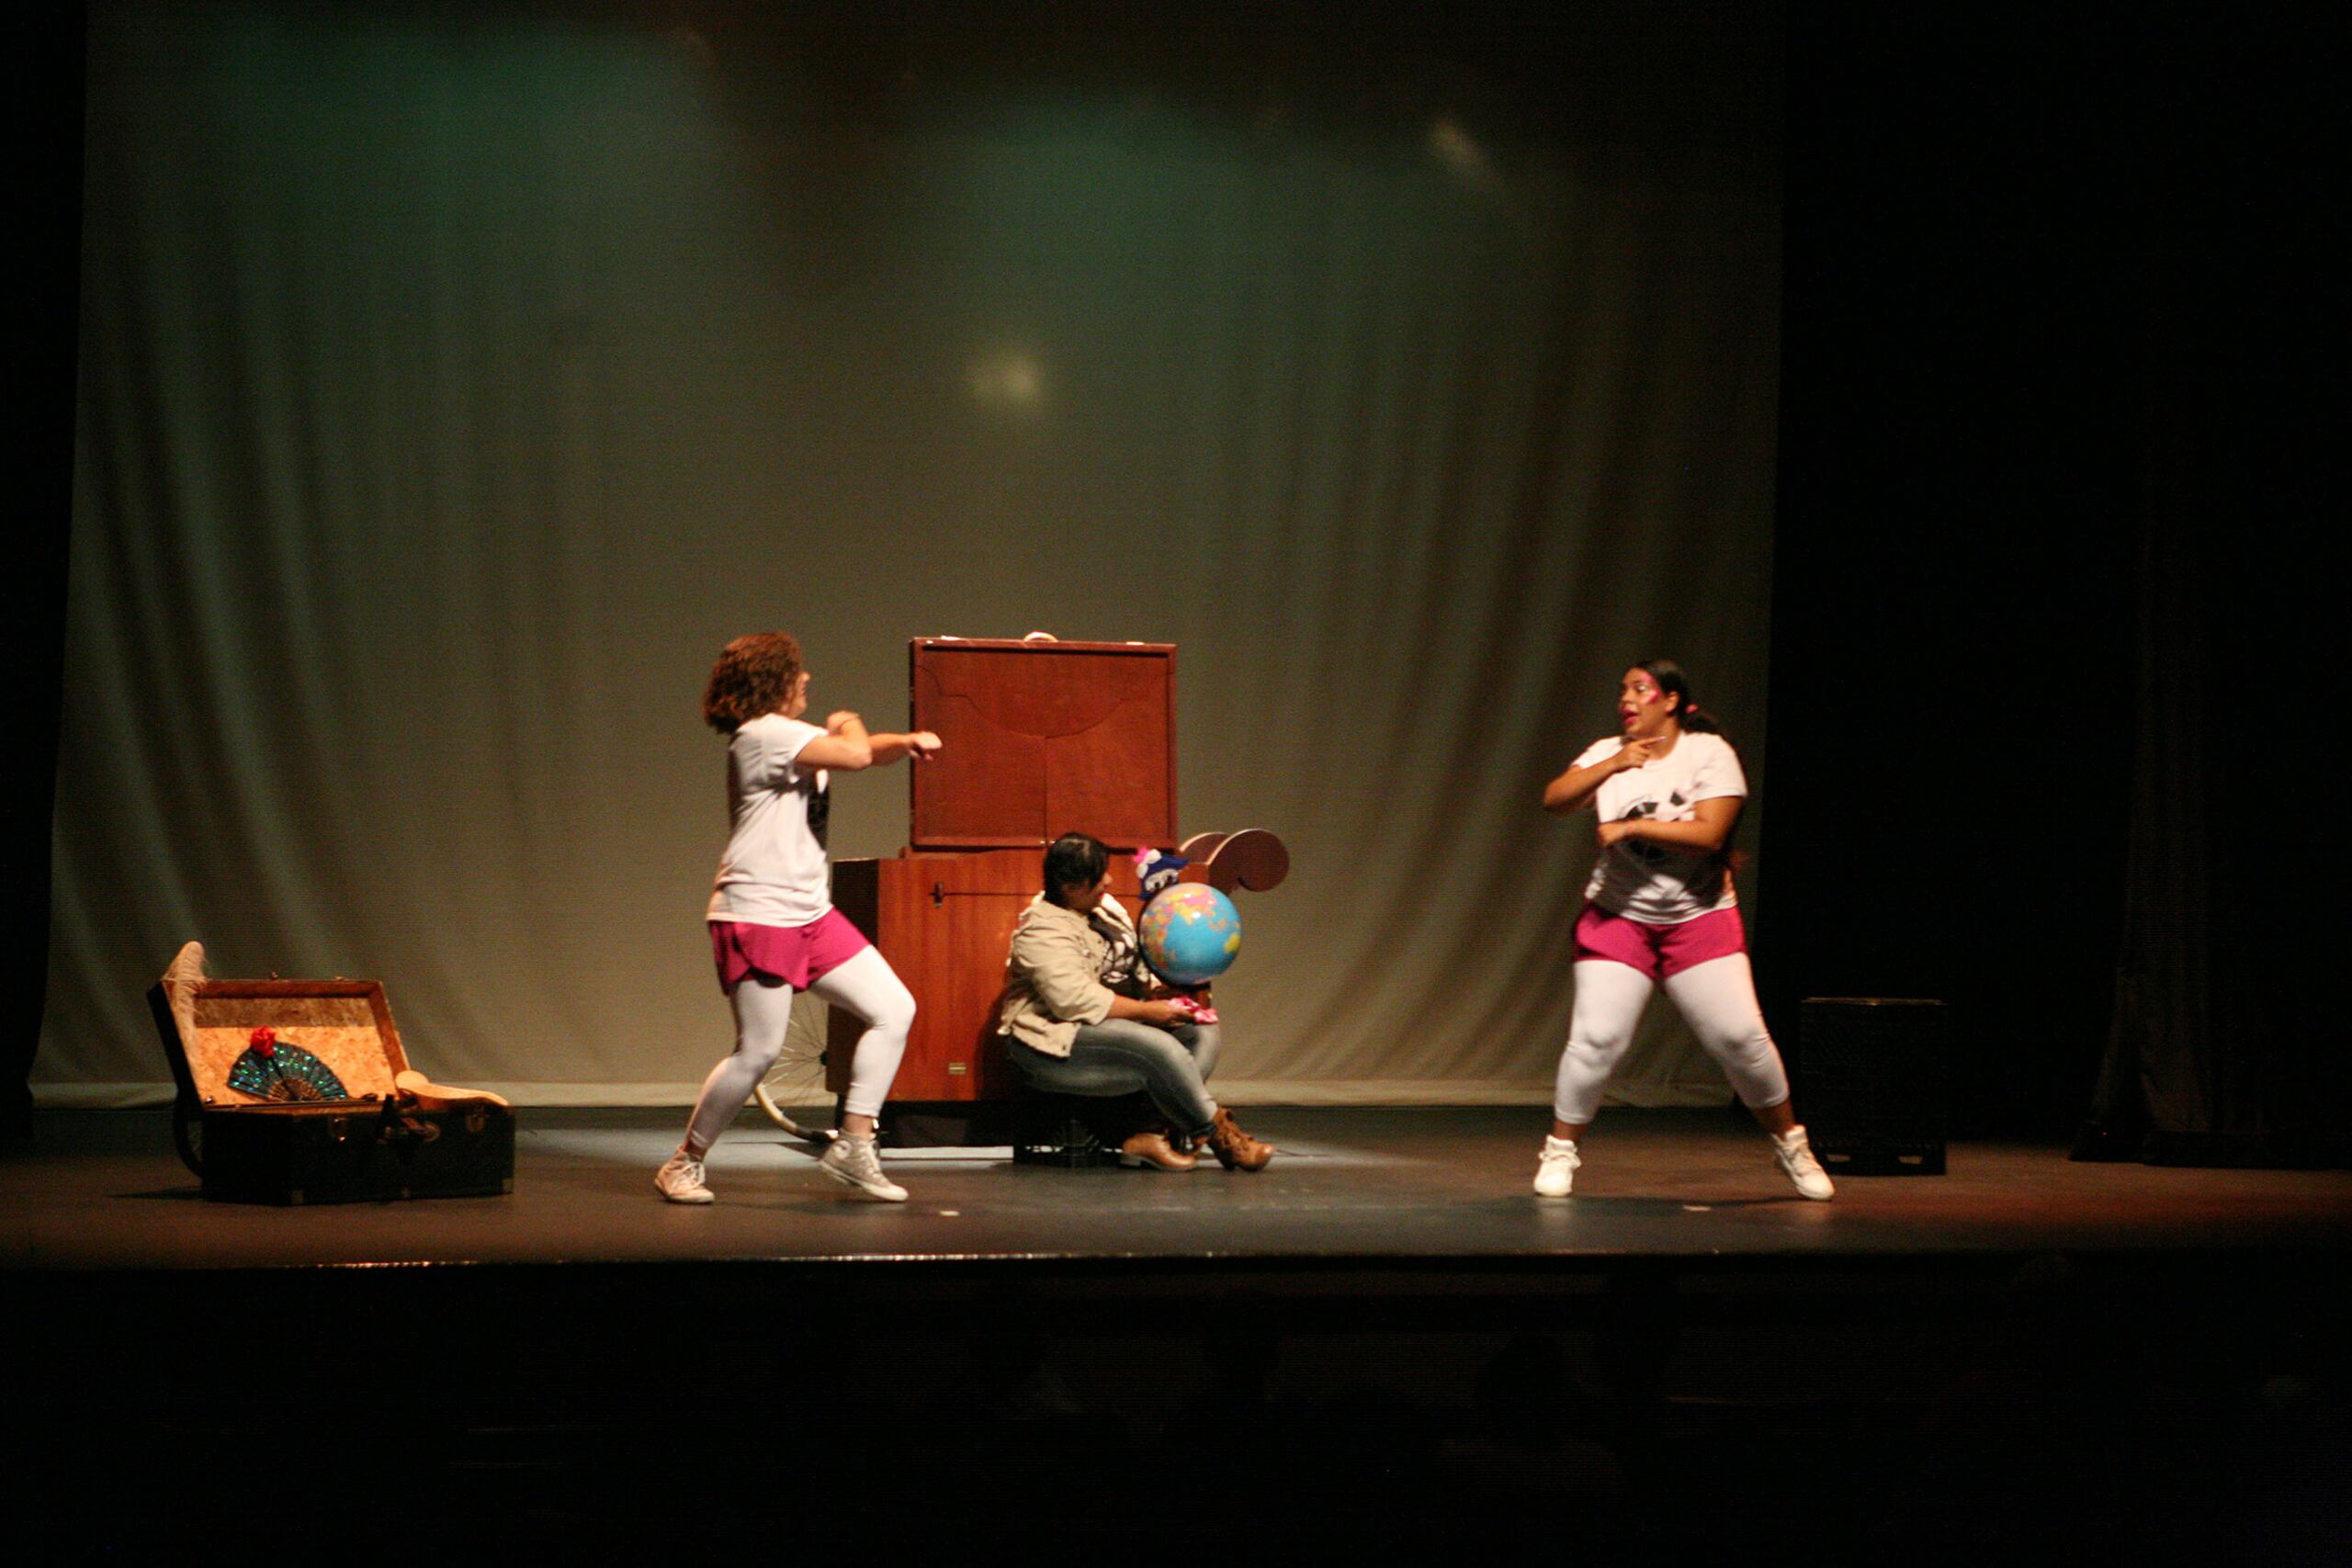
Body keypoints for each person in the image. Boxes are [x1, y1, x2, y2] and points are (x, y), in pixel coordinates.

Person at [656, 632, 941, 1204]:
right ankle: (684, 1162)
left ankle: (855, 1147)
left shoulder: (793, 736)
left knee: (893, 1009)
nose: (807, 680)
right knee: (758, 1051)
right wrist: (850, 722)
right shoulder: (761, 736)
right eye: (799, 672)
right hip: (758, 912)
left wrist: (905, 741)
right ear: (773, 682)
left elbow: (868, 750)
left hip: (810, 912)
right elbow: (857, 751)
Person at [1533, 660, 1833, 1201]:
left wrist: (1631, 825)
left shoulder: (1709, 754)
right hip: (1618, 919)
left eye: (1640, 688)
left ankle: (1792, 1144)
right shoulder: (1610, 751)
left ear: (1670, 700)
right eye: (1622, 689)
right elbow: (1555, 799)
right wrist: (1614, 765)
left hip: (1697, 919)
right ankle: (1560, 1151)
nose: (1627, 698)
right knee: (1597, 1039)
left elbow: (1711, 834)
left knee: (1741, 1039)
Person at [999, 832, 1273, 1171]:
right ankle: (1223, 1139)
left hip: (1112, 1027)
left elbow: (1133, 959)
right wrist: (1147, 1012)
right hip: (1050, 1043)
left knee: (1201, 1032)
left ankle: (1148, 1133)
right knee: (1158, 1047)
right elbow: (1074, 1002)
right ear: (1071, 887)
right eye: (1099, 876)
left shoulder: (1105, 908)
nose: (1109, 881)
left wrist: (1157, 994)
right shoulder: (1041, 931)